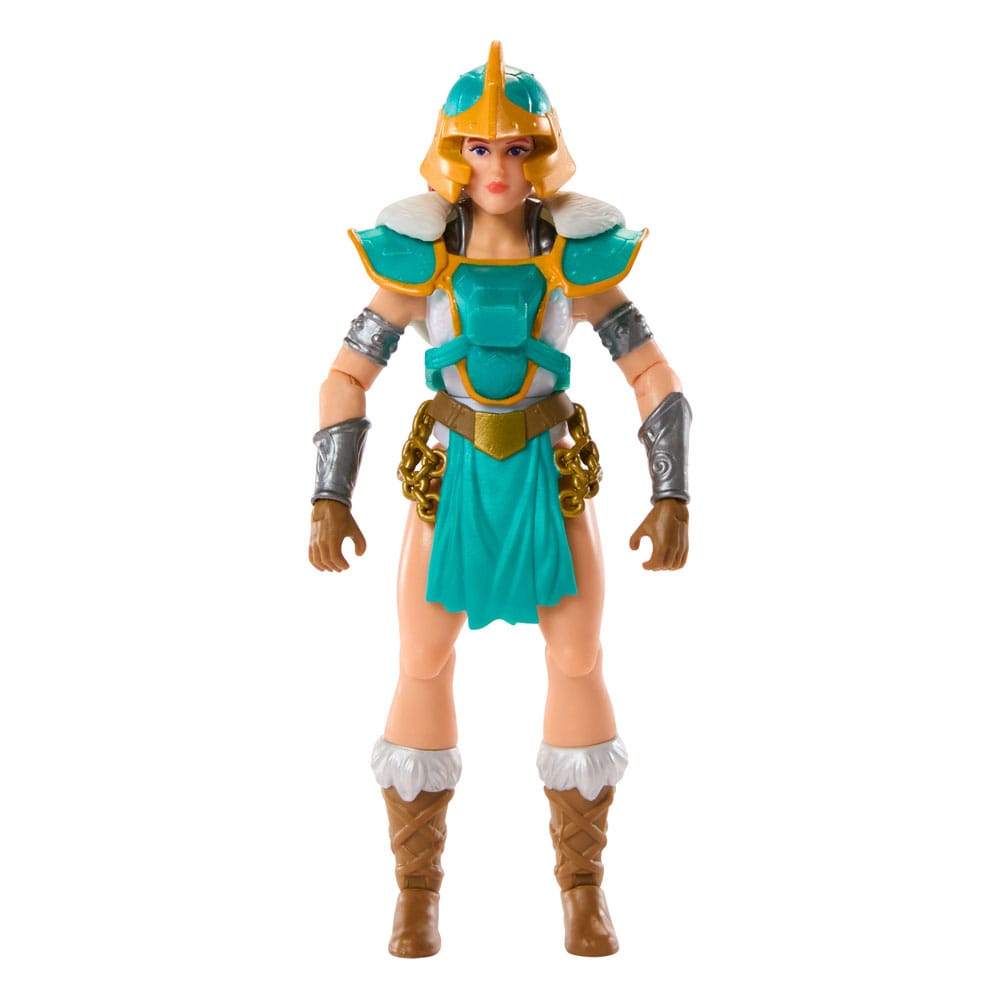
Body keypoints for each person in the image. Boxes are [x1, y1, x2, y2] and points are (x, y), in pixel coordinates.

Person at [308, 42, 691, 958]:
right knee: (422, 659)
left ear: (543, 154)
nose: (498, 169)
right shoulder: (419, 264)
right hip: (449, 479)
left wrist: (672, 488)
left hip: (552, 476)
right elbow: (346, 374)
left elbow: (652, 372)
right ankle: (416, 889)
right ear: (452, 152)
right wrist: (329, 493)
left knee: (578, 656)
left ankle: (583, 886)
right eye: (480, 148)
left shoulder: (576, 262)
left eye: (516, 149)